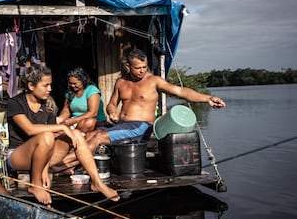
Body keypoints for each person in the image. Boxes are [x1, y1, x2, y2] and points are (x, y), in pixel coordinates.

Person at [6, 64, 119, 205]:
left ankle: (97, 182)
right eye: (45, 85)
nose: (50, 89)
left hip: (43, 155)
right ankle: (35, 185)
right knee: (48, 135)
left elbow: (48, 142)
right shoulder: (15, 103)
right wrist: (62, 127)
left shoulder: (48, 105)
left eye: (50, 85)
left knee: (76, 133)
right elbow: (30, 130)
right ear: (31, 86)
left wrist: (45, 169)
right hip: (18, 156)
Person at [86, 48, 226, 152]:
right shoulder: (121, 82)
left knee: (98, 137)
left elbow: (181, 91)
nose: (142, 70)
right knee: (90, 134)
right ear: (128, 67)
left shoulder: (154, 81)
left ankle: (65, 167)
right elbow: (111, 104)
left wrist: (208, 98)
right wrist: (111, 113)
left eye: (144, 67)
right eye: (138, 68)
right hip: (121, 125)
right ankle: (70, 165)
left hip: (141, 127)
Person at [57, 67, 107, 133]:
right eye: (70, 83)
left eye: (75, 83)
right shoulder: (70, 92)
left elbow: (93, 113)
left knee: (89, 122)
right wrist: (60, 119)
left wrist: (74, 120)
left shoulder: (91, 90)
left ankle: (75, 135)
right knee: (57, 127)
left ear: (83, 81)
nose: (72, 86)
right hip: (75, 121)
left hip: (93, 121)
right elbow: (66, 110)